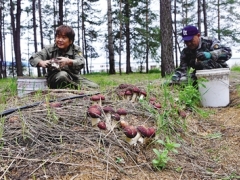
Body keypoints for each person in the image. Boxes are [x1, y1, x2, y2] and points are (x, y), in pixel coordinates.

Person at [29, 25, 99, 89]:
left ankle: (73, 87)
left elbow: (81, 62)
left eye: (63, 38)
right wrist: (41, 62)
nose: (60, 40)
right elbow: (33, 58)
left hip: (73, 77)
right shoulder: (49, 48)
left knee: (95, 87)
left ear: (70, 41)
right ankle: (81, 89)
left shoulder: (76, 49)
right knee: (62, 75)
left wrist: (69, 61)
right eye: (58, 37)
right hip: (55, 77)